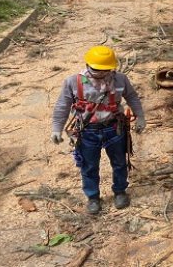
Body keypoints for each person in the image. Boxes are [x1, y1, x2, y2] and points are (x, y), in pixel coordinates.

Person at [50, 46, 146, 215]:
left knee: (119, 163)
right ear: (88, 64)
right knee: (89, 166)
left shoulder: (120, 80)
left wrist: (140, 116)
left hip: (114, 129)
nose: (101, 73)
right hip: (88, 131)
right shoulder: (73, 82)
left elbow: (132, 97)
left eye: (105, 70)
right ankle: (93, 197)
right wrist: (57, 128)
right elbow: (62, 106)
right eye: (96, 69)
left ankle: (120, 191)